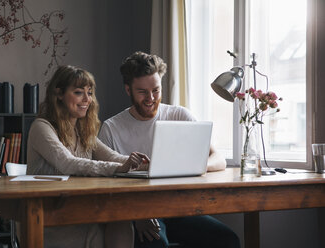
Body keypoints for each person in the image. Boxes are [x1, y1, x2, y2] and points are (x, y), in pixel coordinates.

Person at [98, 51, 241, 248]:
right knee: (155, 244)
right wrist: (135, 215)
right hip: (138, 211)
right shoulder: (111, 128)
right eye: (142, 92)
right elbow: (103, 185)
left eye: (156, 90)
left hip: (180, 209)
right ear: (128, 90)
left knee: (228, 240)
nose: (150, 98)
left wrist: (194, 166)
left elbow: (218, 159)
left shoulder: (179, 115)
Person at [27, 65, 149, 248]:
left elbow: (114, 157)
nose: (87, 99)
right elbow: (67, 163)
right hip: (48, 218)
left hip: (81, 211)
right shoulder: (42, 127)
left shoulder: (84, 132)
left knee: (122, 220)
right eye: (78, 92)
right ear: (59, 94)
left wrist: (151, 164)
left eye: (89, 93)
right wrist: (118, 168)